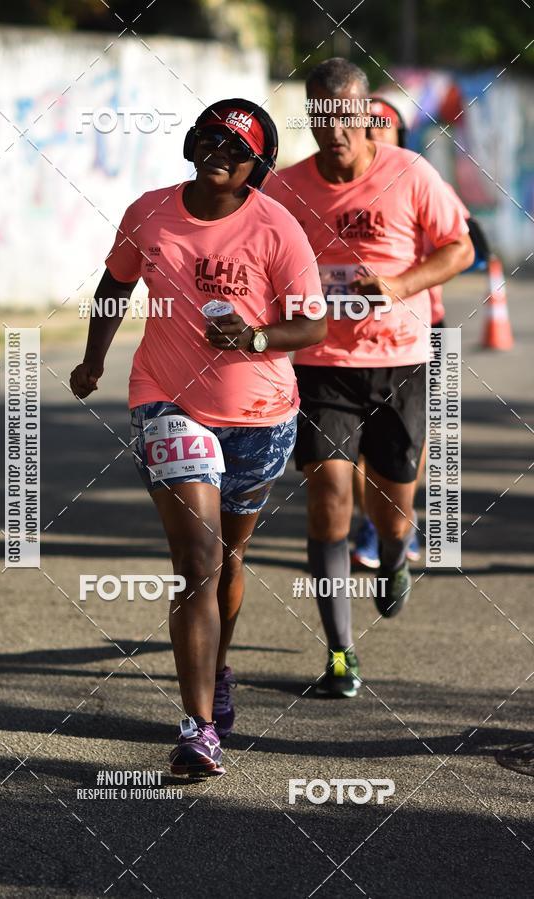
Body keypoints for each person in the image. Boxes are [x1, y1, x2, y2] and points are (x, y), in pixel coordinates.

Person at [70, 99, 325, 774]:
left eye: (237, 148)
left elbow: (313, 325)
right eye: (211, 138)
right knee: (199, 565)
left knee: (230, 561)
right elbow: (114, 282)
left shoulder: (278, 227)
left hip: (261, 414)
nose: (221, 152)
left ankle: (217, 670)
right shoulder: (149, 210)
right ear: (190, 142)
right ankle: (197, 727)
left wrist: (257, 336)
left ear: (257, 167)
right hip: (167, 401)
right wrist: (95, 357)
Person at [265, 60, 474, 698]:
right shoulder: (283, 188)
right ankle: (339, 653)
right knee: (329, 495)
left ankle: (391, 558)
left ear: (365, 113)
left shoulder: (409, 173)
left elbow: (459, 247)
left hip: (400, 360)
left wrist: (399, 286)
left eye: (346, 114)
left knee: (393, 505)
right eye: (321, 115)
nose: (335, 128)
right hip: (322, 365)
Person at [352, 96, 489, 569]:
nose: (371, 134)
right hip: (348, 336)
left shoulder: (416, 177)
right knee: (354, 440)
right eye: (363, 124)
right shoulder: (332, 183)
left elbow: (473, 245)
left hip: (426, 325)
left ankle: (397, 520)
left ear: (400, 137)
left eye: (381, 126)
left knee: (414, 436)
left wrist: (409, 271)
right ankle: (372, 522)